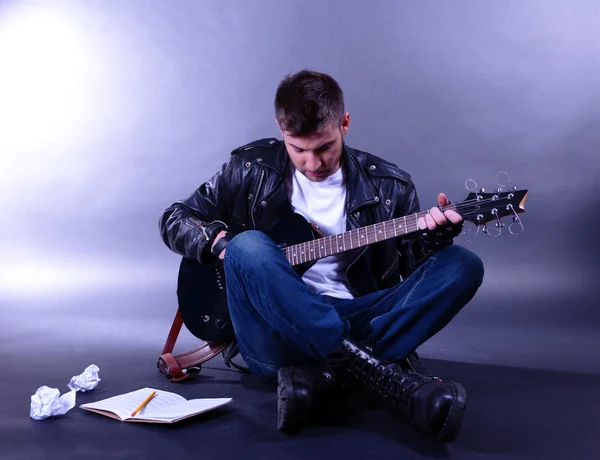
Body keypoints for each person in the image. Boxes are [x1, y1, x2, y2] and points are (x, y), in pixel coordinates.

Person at [159, 69, 484, 443]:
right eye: (298, 149)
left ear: (344, 123)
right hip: (271, 331)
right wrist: (219, 243)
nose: (312, 164)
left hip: (355, 316)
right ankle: (386, 378)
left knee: (462, 265)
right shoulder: (250, 168)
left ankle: (325, 378)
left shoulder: (390, 185)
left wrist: (432, 241)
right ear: (281, 130)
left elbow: (408, 276)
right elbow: (174, 218)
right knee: (248, 245)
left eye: (324, 147)